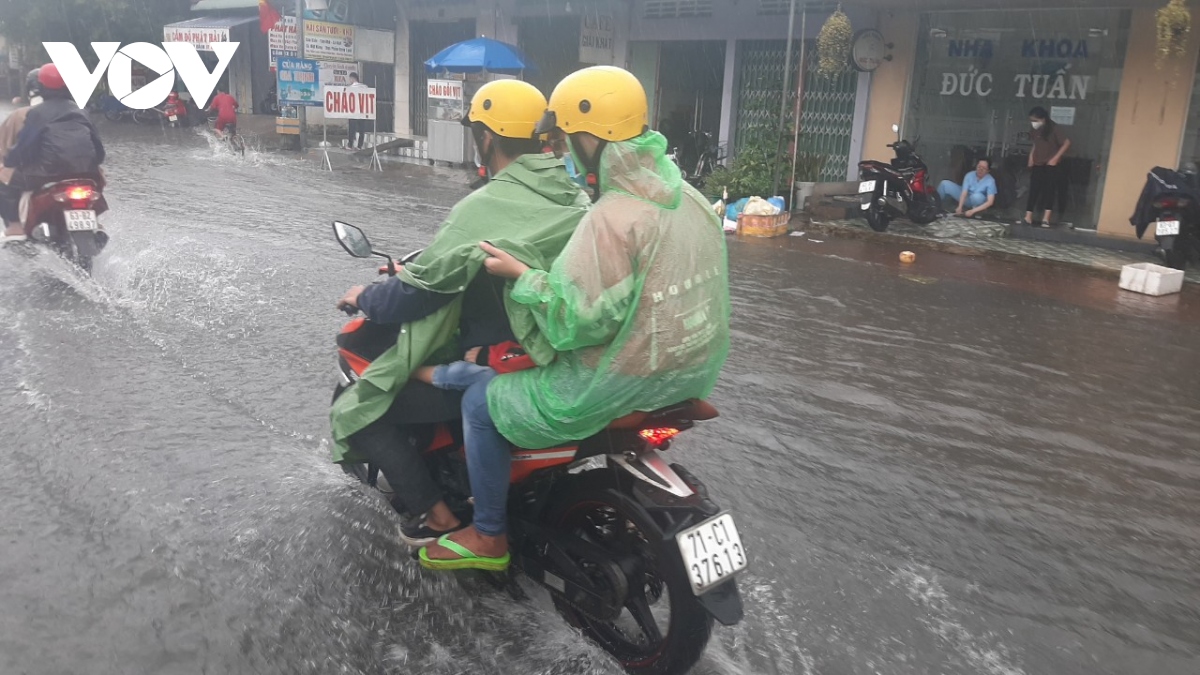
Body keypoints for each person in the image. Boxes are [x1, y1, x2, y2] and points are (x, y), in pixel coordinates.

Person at [419, 66, 731, 571]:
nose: (562, 152)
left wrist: (522, 275)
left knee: (480, 399)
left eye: (565, 141)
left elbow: (572, 322)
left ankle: (488, 535)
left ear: (592, 139)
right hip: (688, 369)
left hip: (617, 381)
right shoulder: (691, 200)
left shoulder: (612, 216)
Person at [329, 79, 589, 546]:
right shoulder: (574, 195)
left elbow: (419, 293)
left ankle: (440, 519)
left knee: (364, 409)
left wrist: (365, 296)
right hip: (566, 353)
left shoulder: (486, 204)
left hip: (497, 358)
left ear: (486, 138)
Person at [0, 64, 105, 243]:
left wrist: (11, 162)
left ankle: (15, 228)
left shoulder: (36, 113)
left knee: (4, 179)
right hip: (87, 173)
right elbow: (99, 151)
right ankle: (97, 223)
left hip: (47, 173)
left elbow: (23, 147)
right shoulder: (81, 111)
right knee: (99, 180)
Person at [1023, 106, 1071, 227]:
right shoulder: (1034, 130)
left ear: (1043, 119)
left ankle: (1046, 218)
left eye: (1035, 120)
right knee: (1033, 189)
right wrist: (1031, 157)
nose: (1033, 123)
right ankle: (1028, 216)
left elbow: (1066, 143)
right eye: (1032, 120)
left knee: (1049, 190)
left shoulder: (1054, 128)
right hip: (1037, 162)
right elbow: (1035, 144)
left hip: (1050, 164)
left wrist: (1055, 158)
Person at [347, 72, 367, 150]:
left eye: (350, 79)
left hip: (353, 111)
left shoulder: (350, 88)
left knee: (352, 129)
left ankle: (350, 145)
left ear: (352, 78)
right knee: (361, 129)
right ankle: (359, 146)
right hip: (363, 111)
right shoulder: (365, 87)